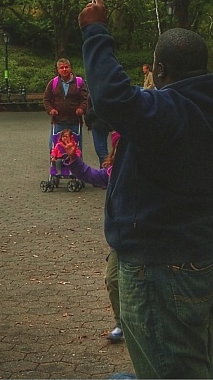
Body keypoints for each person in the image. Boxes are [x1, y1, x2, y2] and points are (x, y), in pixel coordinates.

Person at [78, 0, 213, 379]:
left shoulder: (166, 112)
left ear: (159, 69)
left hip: (163, 266)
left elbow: (113, 98)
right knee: (196, 364)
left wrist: (95, 32)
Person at [59, 134, 125, 344]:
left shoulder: (145, 171)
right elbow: (91, 175)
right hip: (120, 241)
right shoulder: (112, 171)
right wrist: (74, 160)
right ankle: (122, 323)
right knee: (113, 280)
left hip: (145, 238)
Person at [42, 58, 89, 154]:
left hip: (75, 121)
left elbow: (85, 99)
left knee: (76, 147)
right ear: (58, 70)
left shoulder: (79, 82)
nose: (64, 69)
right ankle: (56, 167)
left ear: (70, 68)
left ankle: (76, 167)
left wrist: (82, 108)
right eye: (61, 68)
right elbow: (46, 99)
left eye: (66, 67)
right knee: (55, 146)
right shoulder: (53, 83)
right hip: (59, 121)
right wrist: (50, 110)